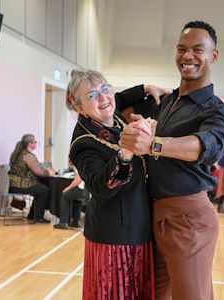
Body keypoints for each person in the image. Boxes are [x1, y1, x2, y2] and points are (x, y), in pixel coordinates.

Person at [120, 21, 224, 300]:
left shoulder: (214, 109)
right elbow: (117, 106)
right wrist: (145, 87)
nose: (187, 56)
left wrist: (154, 144)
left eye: (197, 49)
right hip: (155, 216)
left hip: (188, 220)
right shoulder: (167, 101)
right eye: (182, 49)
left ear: (213, 55)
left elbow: (207, 146)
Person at [67, 69, 169, 299]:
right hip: (114, 239)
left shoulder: (115, 115)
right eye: (93, 95)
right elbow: (100, 186)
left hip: (139, 230)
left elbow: (120, 97)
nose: (104, 98)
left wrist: (145, 88)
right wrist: (125, 151)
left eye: (106, 89)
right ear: (80, 107)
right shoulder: (82, 143)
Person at [8, 134, 55, 223]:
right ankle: (38, 217)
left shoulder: (20, 153)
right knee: (44, 190)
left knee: (40, 188)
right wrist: (49, 172)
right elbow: (39, 172)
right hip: (20, 183)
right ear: (30, 144)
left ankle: (32, 215)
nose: (36, 143)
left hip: (12, 183)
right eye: (35, 142)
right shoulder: (28, 156)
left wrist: (45, 172)